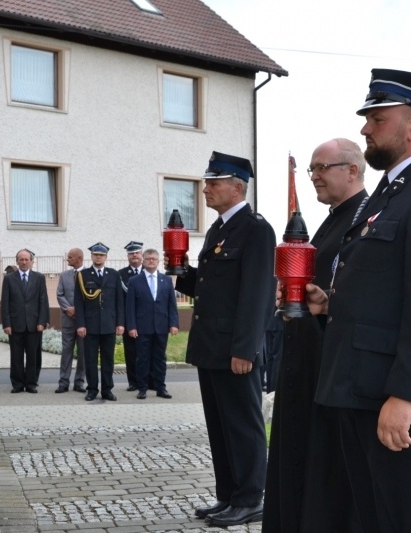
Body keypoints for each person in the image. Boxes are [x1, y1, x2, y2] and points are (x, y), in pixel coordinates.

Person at [299, 69, 411, 532]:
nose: (365, 129)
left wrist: (404, 395)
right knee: (372, 519)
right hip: (361, 389)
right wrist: (331, 302)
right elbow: (384, 289)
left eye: (376, 119)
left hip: (399, 398)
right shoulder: (390, 193)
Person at [264, 138, 367, 533]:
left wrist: (322, 301)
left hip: (331, 360)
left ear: (352, 170)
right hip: (304, 356)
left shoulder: (365, 218)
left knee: (325, 467)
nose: (314, 177)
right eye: (311, 169)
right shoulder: (330, 218)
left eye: (322, 168)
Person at [173, 151, 276, 528]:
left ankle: (251, 498)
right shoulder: (218, 230)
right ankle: (229, 495)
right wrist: (181, 271)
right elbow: (211, 288)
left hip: (236, 350)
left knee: (243, 425)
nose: (205, 189)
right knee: (219, 425)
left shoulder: (256, 229)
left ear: (237, 187)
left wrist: (245, 349)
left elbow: (258, 294)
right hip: (212, 346)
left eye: (213, 183)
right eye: (206, 183)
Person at [126, 248, 179, 400]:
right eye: (148, 258)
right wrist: (132, 326)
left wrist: (173, 323)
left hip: (161, 326)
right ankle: (142, 388)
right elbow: (130, 307)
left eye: (154, 259)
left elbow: (172, 305)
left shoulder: (166, 280)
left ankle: (161, 387)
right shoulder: (134, 281)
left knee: (160, 358)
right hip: (142, 327)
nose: (151, 261)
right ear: (143, 260)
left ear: (158, 261)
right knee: (142, 358)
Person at [75, 242, 125, 402]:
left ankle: (107, 390)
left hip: (109, 324)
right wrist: (81, 324)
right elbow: (79, 302)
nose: (98, 257)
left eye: (101, 255)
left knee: (108, 360)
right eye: (96, 254)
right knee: (90, 360)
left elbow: (119, 301)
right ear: (91, 256)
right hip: (90, 326)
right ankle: (91, 390)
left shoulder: (114, 274)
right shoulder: (83, 275)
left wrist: (120, 323)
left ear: (106, 257)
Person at [1, 249, 50, 394]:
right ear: (17, 261)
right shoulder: (9, 278)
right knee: (16, 356)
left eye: (26, 259)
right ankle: (17, 384)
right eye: (21, 260)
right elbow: (5, 303)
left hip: (34, 324)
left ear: (32, 262)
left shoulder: (39, 278)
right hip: (15, 324)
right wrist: (7, 324)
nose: (24, 262)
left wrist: (43, 321)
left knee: (33, 355)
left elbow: (43, 300)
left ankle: (31, 383)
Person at [55, 248, 86, 394]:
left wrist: (78, 311)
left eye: (70, 257)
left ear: (79, 258)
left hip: (83, 321)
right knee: (66, 351)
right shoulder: (64, 275)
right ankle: (63, 382)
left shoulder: (87, 274)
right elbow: (60, 294)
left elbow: (90, 296)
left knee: (82, 352)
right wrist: (69, 309)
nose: (68, 259)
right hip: (67, 319)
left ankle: (79, 382)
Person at [118, 241, 144, 392]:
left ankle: (148, 380)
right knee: (131, 352)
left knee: (147, 352)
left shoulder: (148, 271)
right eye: (131, 253)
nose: (134, 255)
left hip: (146, 320)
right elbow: (119, 301)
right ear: (127, 256)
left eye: (137, 252)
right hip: (129, 320)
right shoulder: (120, 274)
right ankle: (133, 382)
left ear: (141, 255)